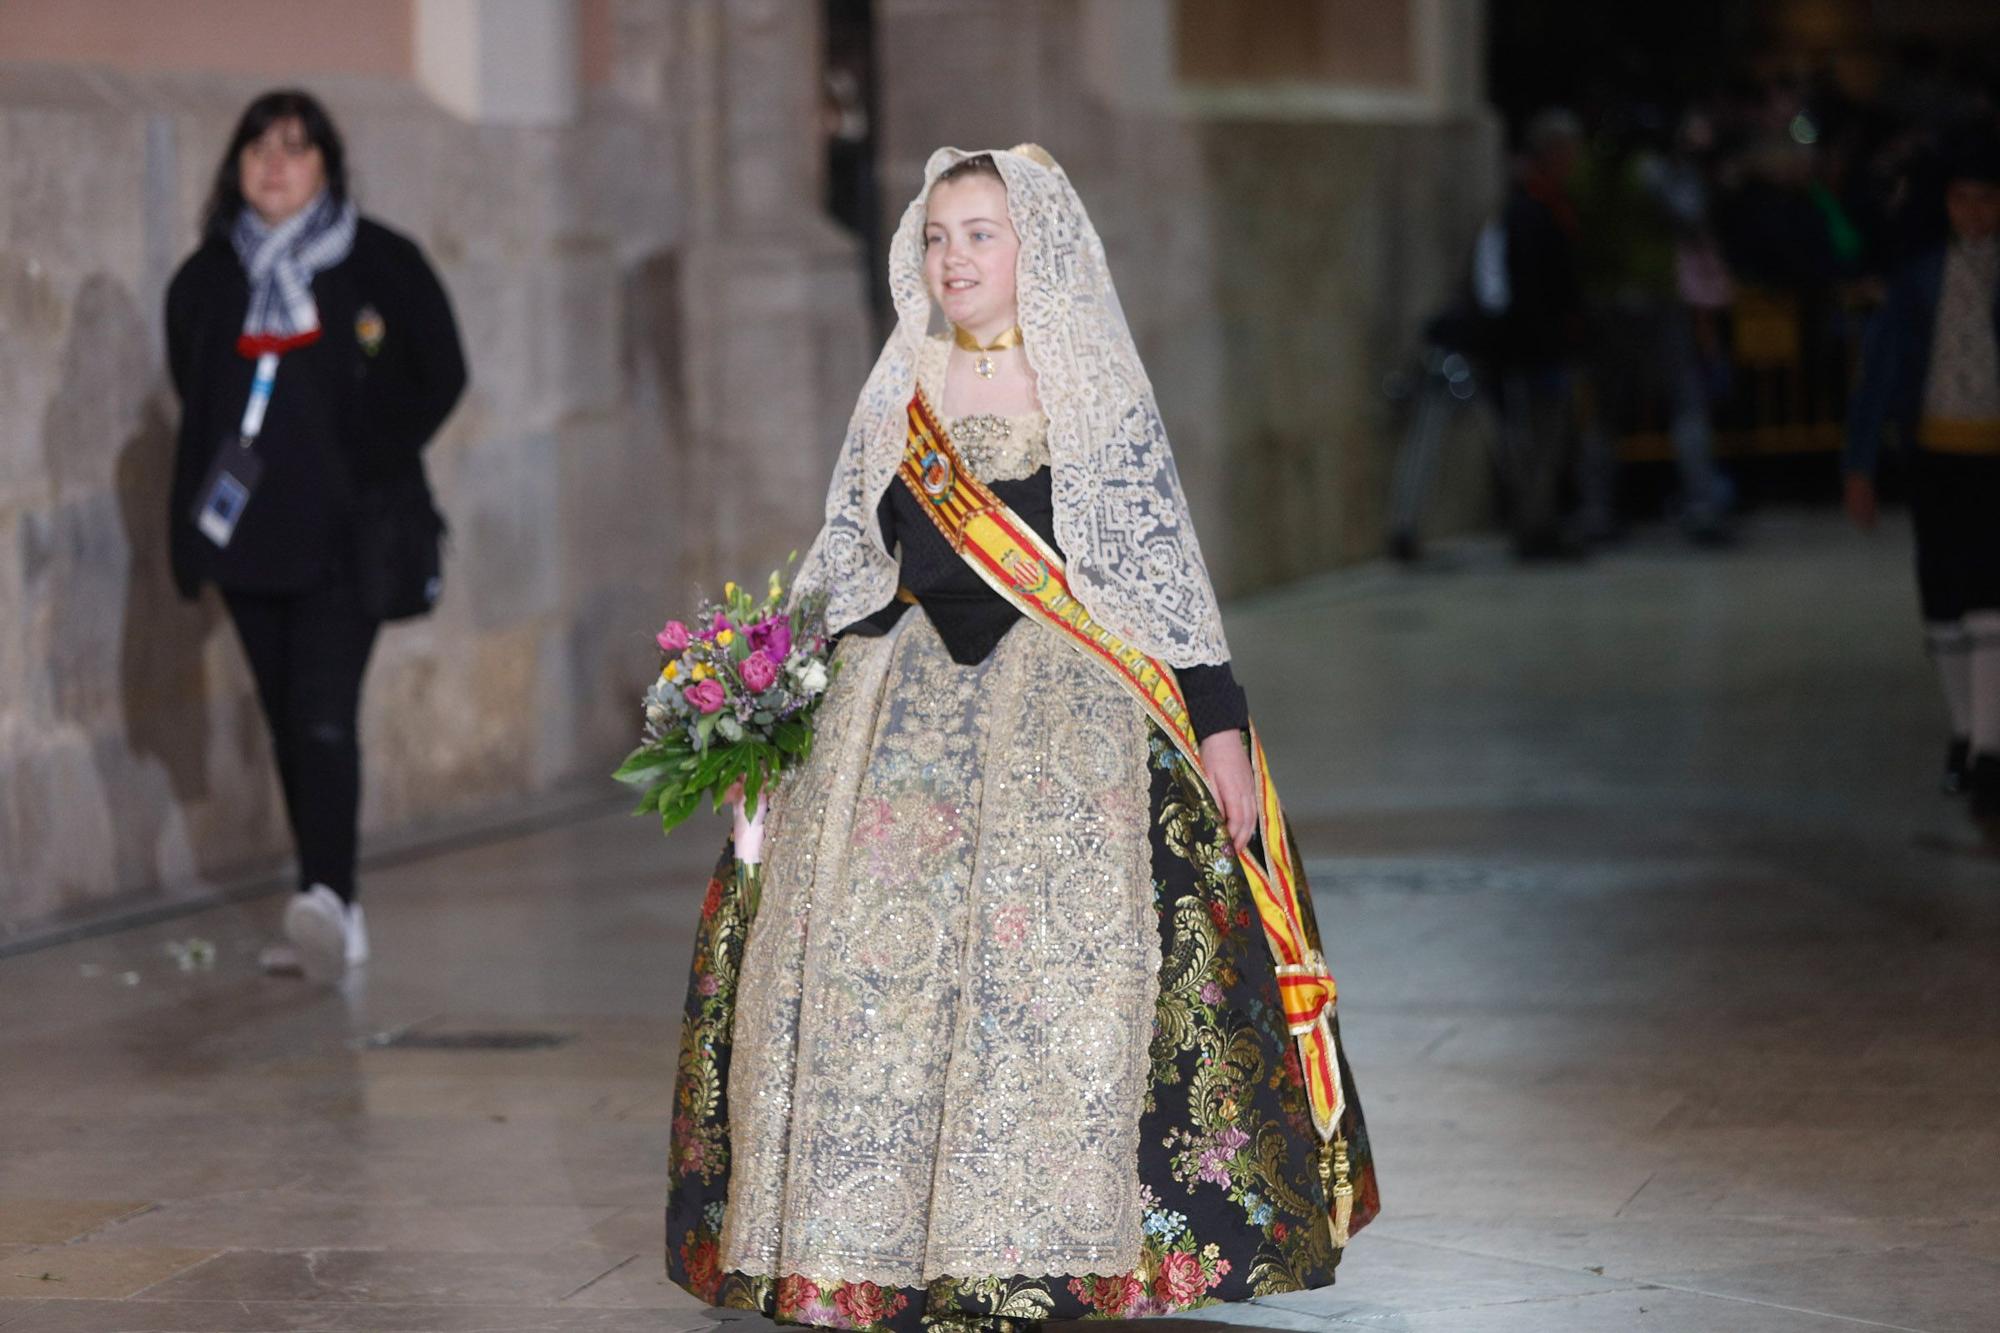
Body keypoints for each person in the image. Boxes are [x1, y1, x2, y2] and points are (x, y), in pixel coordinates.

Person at [662, 146, 1377, 1331]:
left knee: (1058, 965)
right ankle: (862, 1241)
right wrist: (767, 717)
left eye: (980, 232)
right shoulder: (900, 388)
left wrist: (1219, 725)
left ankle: (1070, 1241)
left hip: (1068, 710)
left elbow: (1159, 575)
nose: (955, 256)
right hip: (899, 710)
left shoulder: (1087, 382)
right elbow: (850, 570)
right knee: (866, 973)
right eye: (938, 235)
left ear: (1031, 248)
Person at [165, 90, 467, 981]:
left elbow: (441, 370)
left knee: (326, 717)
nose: (274, 163)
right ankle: (329, 900)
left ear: (326, 165)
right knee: (288, 724)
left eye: (295, 148)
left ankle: (329, 896)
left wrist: (364, 455)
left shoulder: (380, 261)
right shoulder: (209, 277)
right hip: (251, 541)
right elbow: (197, 395)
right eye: (257, 145)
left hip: (350, 539)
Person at [1845, 128, 2000, 830]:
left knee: (1990, 592)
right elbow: (1879, 370)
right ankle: (1968, 732)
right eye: (1964, 199)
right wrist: (1859, 463)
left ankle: (1991, 747)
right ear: (1945, 203)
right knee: (1943, 594)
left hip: (1992, 452)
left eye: (1987, 200)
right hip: (1934, 451)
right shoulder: (1918, 279)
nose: (1976, 214)